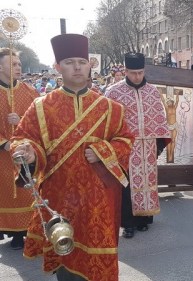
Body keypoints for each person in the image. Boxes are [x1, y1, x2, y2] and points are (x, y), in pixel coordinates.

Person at [11, 34, 133, 281]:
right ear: (58, 67)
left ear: (90, 65)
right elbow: (24, 138)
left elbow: (126, 141)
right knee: (64, 257)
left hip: (98, 198)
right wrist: (28, 151)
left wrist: (102, 151)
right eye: (69, 61)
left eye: (81, 61)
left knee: (97, 259)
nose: (77, 66)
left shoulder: (111, 108)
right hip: (59, 195)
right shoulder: (40, 106)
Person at [105, 52, 169, 239]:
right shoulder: (113, 92)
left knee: (148, 182)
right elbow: (108, 121)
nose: (137, 76)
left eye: (140, 72)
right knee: (126, 185)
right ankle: (128, 223)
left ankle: (144, 219)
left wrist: (158, 145)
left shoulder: (152, 91)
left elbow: (159, 116)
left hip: (148, 146)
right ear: (125, 71)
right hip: (125, 146)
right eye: (133, 73)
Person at [0, 48, 39, 250]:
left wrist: (21, 118)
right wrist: (4, 143)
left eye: (19, 64)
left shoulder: (30, 91)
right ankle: (8, 230)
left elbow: (39, 120)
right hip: (2, 157)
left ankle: (25, 232)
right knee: (5, 192)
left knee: (26, 192)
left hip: (24, 152)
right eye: (13, 64)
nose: (18, 67)